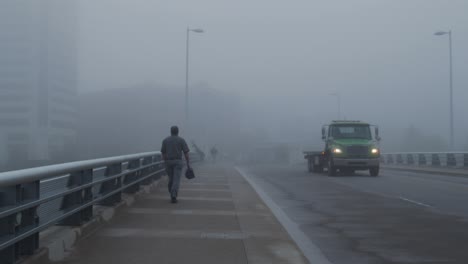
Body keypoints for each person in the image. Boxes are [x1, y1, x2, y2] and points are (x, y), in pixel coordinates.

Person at [161, 126, 190, 203]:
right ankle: (173, 195)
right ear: (178, 132)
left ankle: (171, 190)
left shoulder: (165, 140)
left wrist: (165, 162)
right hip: (178, 162)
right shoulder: (181, 140)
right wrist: (188, 163)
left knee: (171, 179)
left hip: (168, 162)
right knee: (176, 179)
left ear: (170, 132)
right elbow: (186, 153)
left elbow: (163, 153)